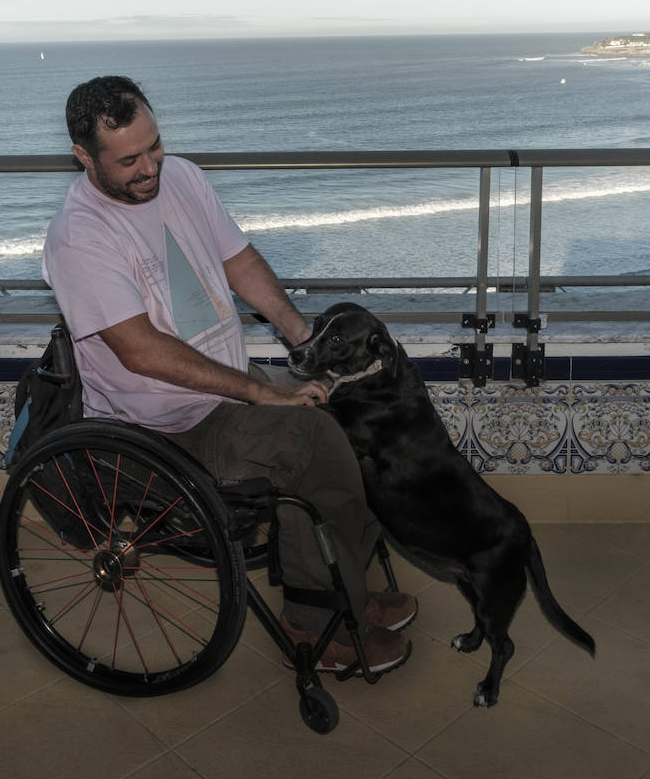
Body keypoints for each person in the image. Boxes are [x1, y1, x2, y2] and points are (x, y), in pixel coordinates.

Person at [42, 76, 414, 674]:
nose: (149, 168)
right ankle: (314, 626)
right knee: (312, 442)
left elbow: (238, 261)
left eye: (154, 146)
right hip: (164, 427)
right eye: (129, 159)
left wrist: (304, 340)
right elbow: (140, 351)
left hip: (223, 384)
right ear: (83, 157)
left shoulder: (182, 177)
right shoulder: (79, 237)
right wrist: (260, 394)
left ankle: (344, 583)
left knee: (352, 409)